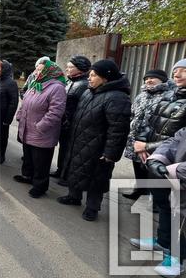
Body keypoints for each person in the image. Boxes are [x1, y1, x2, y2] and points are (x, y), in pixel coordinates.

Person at [57, 60, 131, 221]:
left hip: (99, 147)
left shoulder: (118, 97)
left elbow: (118, 130)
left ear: (106, 78)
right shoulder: (89, 91)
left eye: (94, 75)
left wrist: (111, 153)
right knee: (77, 170)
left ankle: (92, 208)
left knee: (96, 178)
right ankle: (74, 197)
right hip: (80, 140)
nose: (89, 78)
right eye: (89, 74)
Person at [129, 60, 186, 257]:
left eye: (183, 71)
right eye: (175, 71)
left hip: (176, 162)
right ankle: (163, 242)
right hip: (155, 159)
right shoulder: (168, 96)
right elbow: (149, 122)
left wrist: (149, 147)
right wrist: (140, 142)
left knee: (179, 209)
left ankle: (177, 254)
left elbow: (180, 138)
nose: (177, 75)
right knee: (163, 204)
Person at [14, 59, 67, 198]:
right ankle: (27, 176)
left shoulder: (57, 87)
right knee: (29, 157)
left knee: (41, 162)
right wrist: (20, 115)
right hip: (27, 128)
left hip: (41, 132)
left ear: (49, 71)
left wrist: (40, 126)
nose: (36, 72)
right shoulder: (36, 83)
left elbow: (56, 112)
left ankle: (40, 186)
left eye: (40, 70)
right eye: (36, 69)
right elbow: (25, 101)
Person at [138, 128, 186, 278]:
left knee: (183, 219)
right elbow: (174, 140)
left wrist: (175, 170)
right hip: (175, 177)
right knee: (167, 206)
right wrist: (156, 159)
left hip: (179, 174)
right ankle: (163, 242)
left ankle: (179, 259)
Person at [122, 69, 173, 200]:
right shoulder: (142, 95)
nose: (149, 81)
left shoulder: (169, 95)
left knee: (153, 169)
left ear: (162, 80)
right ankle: (140, 190)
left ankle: (155, 198)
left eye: (152, 78)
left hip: (152, 140)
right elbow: (133, 114)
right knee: (138, 166)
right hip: (136, 138)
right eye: (146, 78)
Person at [50, 55, 92, 184]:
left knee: (71, 151)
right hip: (65, 122)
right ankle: (61, 169)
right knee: (63, 148)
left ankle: (67, 175)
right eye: (67, 66)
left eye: (70, 67)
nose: (67, 69)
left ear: (80, 69)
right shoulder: (70, 81)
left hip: (74, 123)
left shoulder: (84, 85)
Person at [0, 60, 19, 165]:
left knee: (3, 136)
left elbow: (13, 102)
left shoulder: (11, 83)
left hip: (3, 116)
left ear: (4, 70)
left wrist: (8, 119)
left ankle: (1, 155)